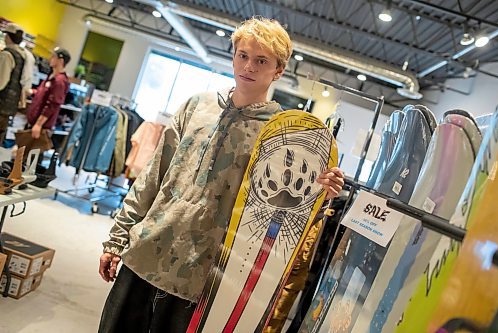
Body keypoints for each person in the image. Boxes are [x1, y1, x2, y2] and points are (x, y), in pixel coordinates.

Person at [98, 17, 345, 333]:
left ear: (278, 70)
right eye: (243, 55)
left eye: (261, 61)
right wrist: (117, 238)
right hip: (144, 253)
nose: (249, 66)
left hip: (200, 278)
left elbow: (286, 206)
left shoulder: (281, 135)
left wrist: (322, 189)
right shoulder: (196, 106)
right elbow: (152, 176)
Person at [26, 47, 70, 140]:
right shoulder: (51, 76)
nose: (50, 58)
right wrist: (33, 92)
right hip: (33, 123)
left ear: (61, 60)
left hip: (41, 128)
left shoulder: (59, 81)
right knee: (22, 151)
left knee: (32, 153)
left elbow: (52, 105)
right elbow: (43, 94)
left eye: (53, 56)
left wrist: (38, 124)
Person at [0, 23, 28, 145]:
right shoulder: (23, 56)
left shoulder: (7, 55)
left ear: (8, 37)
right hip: (9, 107)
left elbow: (1, 82)